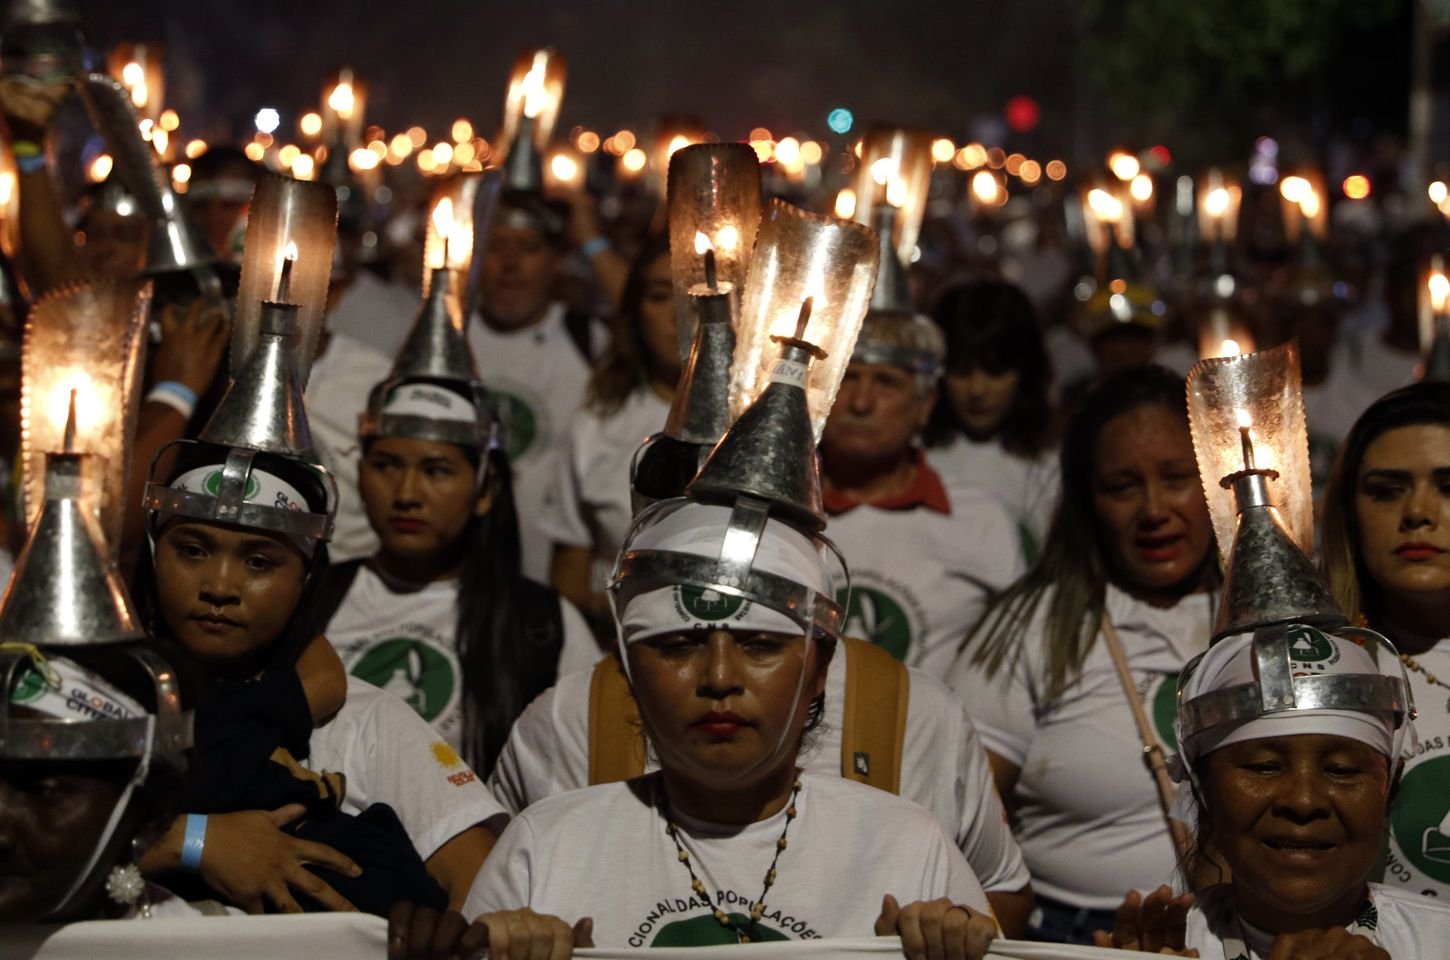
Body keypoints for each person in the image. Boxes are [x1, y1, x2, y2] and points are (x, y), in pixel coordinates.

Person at [457, 499, 998, 957]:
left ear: (819, 670)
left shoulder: (907, 847)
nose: (719, 678)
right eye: (679, 645)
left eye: (759, 646)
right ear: (628, 672)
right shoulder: (547, 846)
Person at [136, 292, 501, 915]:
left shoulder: (362, 720)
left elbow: (491, 893)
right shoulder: (95, 702)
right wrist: (194, 841)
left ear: (306, 580)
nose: (220, 585)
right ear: (153, 553)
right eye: (193, 550)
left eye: (259, 563)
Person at [950, 364, 1218, 943]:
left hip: (1237, 929)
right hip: (1073, 937)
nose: (1153, 510)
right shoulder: (1035, 625)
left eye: (1177, 478)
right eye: (1122, 487)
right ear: (1087, 501)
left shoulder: (1269, 614)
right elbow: (956, 809)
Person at [318, 266, 598, 775]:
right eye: (387, 465)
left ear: (486, 490)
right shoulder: (313, 602)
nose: (407, 494)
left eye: (437, 471)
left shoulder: (542, 626)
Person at [1100, 624, 1450, 958]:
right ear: (1204, 789)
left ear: (1388, 787)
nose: (1303, 800)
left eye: (1341, 770)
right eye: (1264, 767)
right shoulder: (1153, 953)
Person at [820, 308, 1023, 672]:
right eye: (847, 378)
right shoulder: (781, 511)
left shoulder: (980, 519)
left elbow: (1017, 657)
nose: (861, 403)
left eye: (886, 382)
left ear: (924, 405)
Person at [1321, 381, 1450, 897]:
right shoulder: (1309, 666)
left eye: (1449, 486)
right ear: (1349, 513)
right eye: (1387, 490)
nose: (1417, 512)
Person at [470, 190, 607, 582]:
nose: (510, 264)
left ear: (556, 260)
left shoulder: (588, 338)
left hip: (555, 579)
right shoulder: (450, 334)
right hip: (464, 578)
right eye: (496, 247)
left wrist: (592, 241)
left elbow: (658, 319)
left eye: (528, 248)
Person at [545, 234, 675, 635]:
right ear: (635, 313)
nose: (682, 313)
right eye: (661, 296)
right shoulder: (597, 423)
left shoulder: (768, 422)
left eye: (701, 294)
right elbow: (569, 574)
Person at [924, 279, 1060, 559]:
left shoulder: (1053, 468)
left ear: (1025, 372)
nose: (977, 389)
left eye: (995, 371)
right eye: (961, 371)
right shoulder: (912, 457)